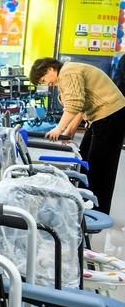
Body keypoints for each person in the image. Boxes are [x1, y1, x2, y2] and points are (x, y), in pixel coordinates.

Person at [30, 57, 125, 214]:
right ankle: (85, 202)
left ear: (51, 69)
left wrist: (58, 129)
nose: (46, 84)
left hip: (111, 116)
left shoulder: (68, 72)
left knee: (100, 166)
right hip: (102, 117)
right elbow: (80, 106)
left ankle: (96, 211)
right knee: (85, 159)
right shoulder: (67, 74)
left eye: (43, 79)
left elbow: (75, 104)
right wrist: (69, 131)